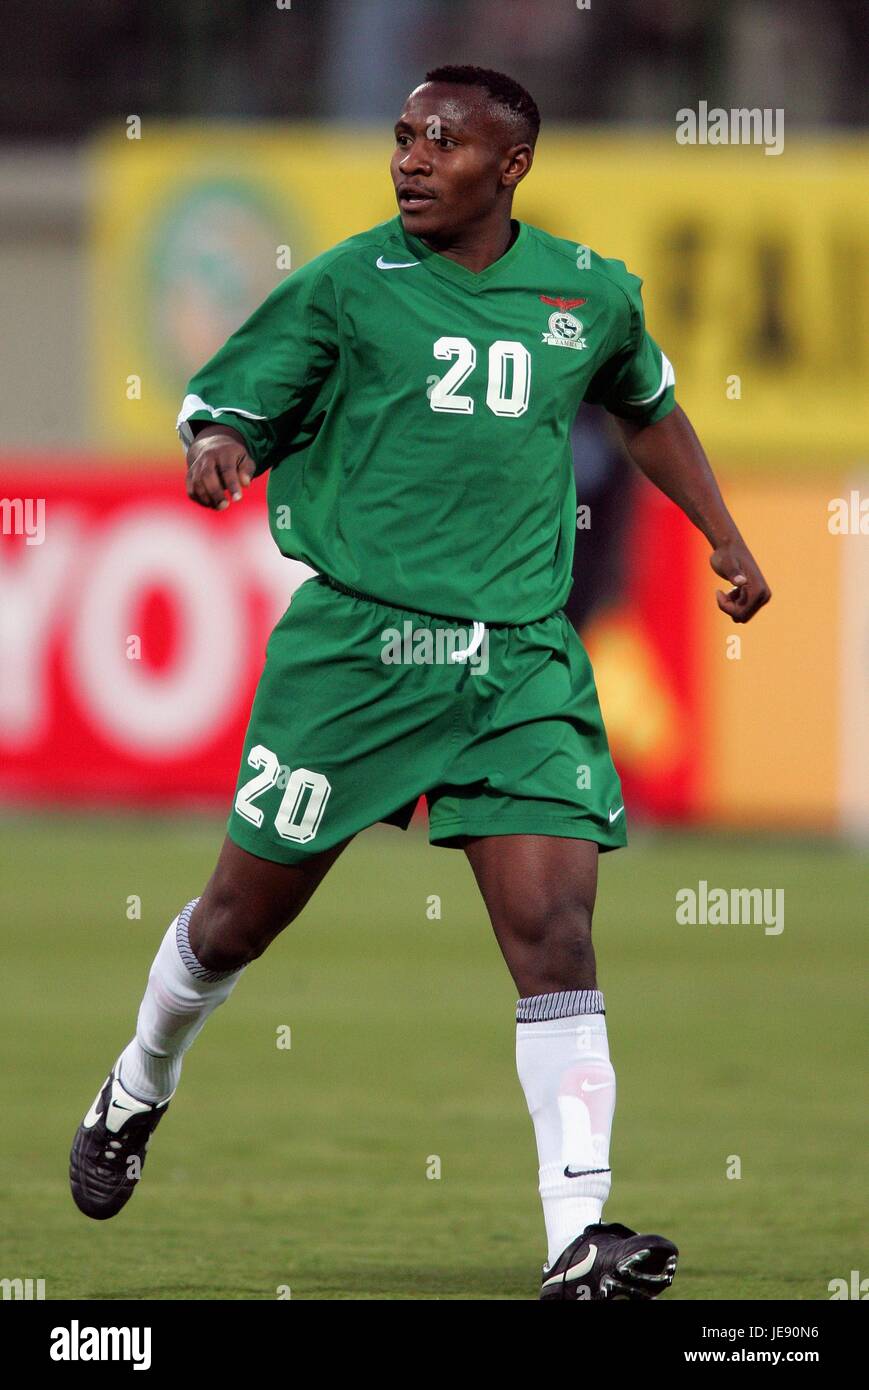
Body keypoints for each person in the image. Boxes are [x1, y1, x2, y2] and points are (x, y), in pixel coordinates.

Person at [70, 65, 770, 1300]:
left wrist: (720, 532)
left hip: (517, 660)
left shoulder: (586, 293)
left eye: (440, 142)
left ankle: (575, 1237)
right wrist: (223, 445)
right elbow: (233, 404)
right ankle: (137, 1083)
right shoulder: (347, 284)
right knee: (237, 922)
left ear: (510, 167)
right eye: (401, 137)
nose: (408, 159)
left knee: (555, 935)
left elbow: (645, 404)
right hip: (356, 659)